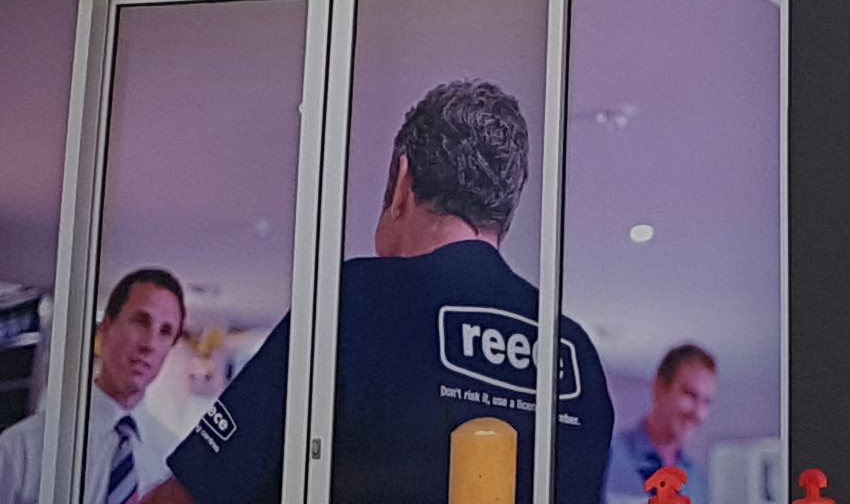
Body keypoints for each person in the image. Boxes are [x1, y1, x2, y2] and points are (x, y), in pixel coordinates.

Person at [156, 79, 609, 504]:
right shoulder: (575, 353)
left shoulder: (354, 304)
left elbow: (199, 489)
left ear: (403, 183)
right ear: (505, 213)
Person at [0, 270, 189, 504]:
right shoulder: (22, 448)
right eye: (140, 321)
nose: (150, 344)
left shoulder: (174, 465)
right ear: (106, 329)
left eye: (165, 331)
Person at [605, 346, 717, 498]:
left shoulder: (697, 481)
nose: (698, 413)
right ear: (660, 387)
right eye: (690, 395)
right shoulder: (608, 459)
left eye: (706, 401)